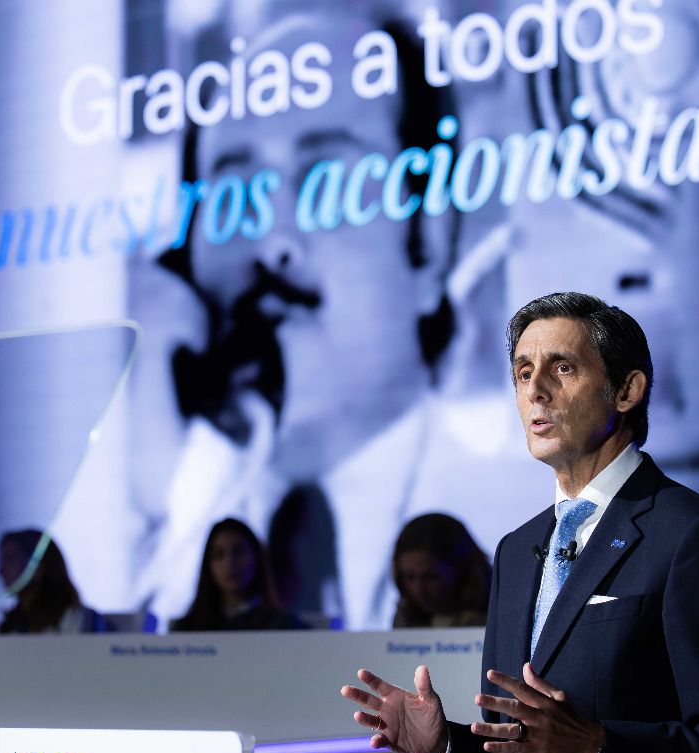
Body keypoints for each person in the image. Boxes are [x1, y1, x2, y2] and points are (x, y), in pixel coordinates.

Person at [132, 9, 548, 629]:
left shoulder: (525, 513)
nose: (274, 246)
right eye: (232, 191)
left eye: (326, 181)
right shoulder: (162, 537)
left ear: (430, 237)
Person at [341, 292, 699, 753]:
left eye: (563, 368)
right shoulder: (515, 549)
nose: (536, 391)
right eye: (524, 373)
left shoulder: (693, 537)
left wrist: (600, 748)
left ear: (626, 390)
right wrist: (441, 747)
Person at [170, 518, 304, 632]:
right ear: (208, 566)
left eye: (238, 551)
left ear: (257, 557)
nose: (230, 562)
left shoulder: (285, 628)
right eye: (219, 554)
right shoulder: (186, 631)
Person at [0, 529, 105, 634]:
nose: (1, 570)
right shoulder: (1, 632)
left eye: (10, 559)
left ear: (37, 565)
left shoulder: (80, 621)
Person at [392, 513, 491, 628]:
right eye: (409, 577)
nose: (418, 590)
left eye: (431, 578)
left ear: (464, 571)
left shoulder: (499, 617)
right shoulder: (405, 615)